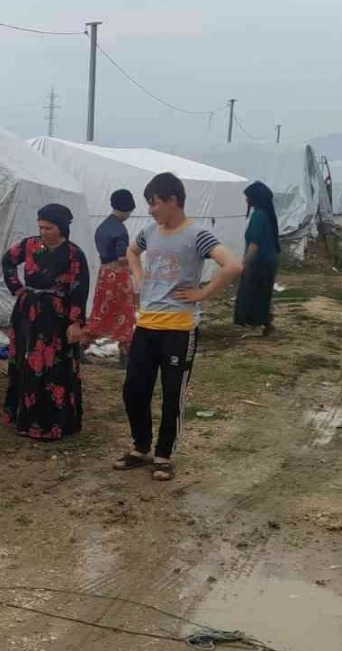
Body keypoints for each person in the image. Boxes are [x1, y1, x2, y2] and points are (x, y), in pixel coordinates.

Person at [115, 172, 243, 481]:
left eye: (154, 203)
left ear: (172, 200)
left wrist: (203, 293)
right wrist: (138, 276)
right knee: (134, 390)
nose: (150, 210)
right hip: (147, 324)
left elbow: (233, 265)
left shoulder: (197, 234)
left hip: (179, 328)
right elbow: (132, 251)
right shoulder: (150, 231)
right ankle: (141, 447)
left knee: (172, 394)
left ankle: (164, 454)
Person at [0, 203, 90, 440]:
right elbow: (7, 261)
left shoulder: (73, 253)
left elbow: (80, 289)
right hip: (27, 312)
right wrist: (17, 288)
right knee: (25, 361)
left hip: (56, 316)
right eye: (40, 227)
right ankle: (24, 419)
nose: (43, 232)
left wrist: (76, 322)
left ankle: (53, 424)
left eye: (48, 228)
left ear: (61, 228)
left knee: (53, 365)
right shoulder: (29, 245)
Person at [88, 188, 138, 364]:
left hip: (104, 274)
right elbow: (122, 258)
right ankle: (125, 355)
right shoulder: (120, 230)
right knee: (125, 312)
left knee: (100, 312)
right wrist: (135, 266)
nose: (130, 215)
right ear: (126, 208)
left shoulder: (102, 227)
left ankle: (81, 344)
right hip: (118, 277)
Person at [233, 181, 281, 336]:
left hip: (259, 262)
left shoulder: (258, 216)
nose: (246, 200)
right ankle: (265, 321)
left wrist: (245, 262)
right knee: (262, 292)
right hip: (268, 260)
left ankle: (256, 326)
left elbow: (254, 244)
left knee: (253, 293)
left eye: (248, 197)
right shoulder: (267, 214)